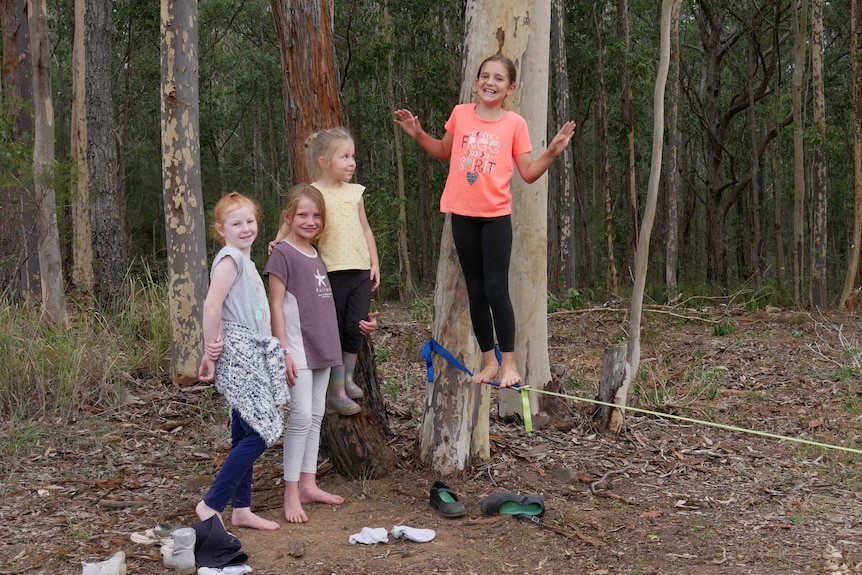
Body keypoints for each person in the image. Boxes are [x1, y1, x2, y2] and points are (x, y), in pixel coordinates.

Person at [394, 54, 576, 389]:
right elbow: (443, 151)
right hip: (462, 215)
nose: (490, 83)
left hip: (495, 218)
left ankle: (509, 363)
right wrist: (418, 133)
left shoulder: (514, 124)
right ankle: (489, 361)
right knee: (476, 291)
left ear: (510, 87)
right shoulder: (461, 114)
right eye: (484, 76)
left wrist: (551, 152)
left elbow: (529, 173)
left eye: (498, 79)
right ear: (476, 82)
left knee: (495, 288)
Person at [271, 128, 380, 416]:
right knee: (333, 329)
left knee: (355, 326)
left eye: (352, 156)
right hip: (329, 271)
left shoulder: (355, 192)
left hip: (359, 269)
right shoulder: (315, 192)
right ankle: (336, 391)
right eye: (344, 156)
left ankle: (346, 378)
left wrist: (375, 262)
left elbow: (366, 229)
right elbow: (293, 218)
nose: (351, 162)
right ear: (323, 161)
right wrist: (279, 240)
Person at [196, 192, 287, 532]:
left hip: (254, 351)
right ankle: (212, 503)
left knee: (245, 430)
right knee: (264, 430)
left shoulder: (245, 261)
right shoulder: (230, 258)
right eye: (236, 223)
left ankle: (242, 509)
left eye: (250, 221)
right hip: (240, 353)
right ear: (221, 229)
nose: (245, 228)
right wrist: (211, 346)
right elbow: (211, 305)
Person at [265, 183, 347, 523]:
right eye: (302, 215)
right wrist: (283, 350)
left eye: (316, 215)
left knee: (315, 417)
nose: (310, 221)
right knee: (299, 418)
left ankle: (309, 484)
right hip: (297, 347)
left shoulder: (316, 254)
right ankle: (291, 491)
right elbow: (276, 305)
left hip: (324, 344)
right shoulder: (282, 253)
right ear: (288, 217)